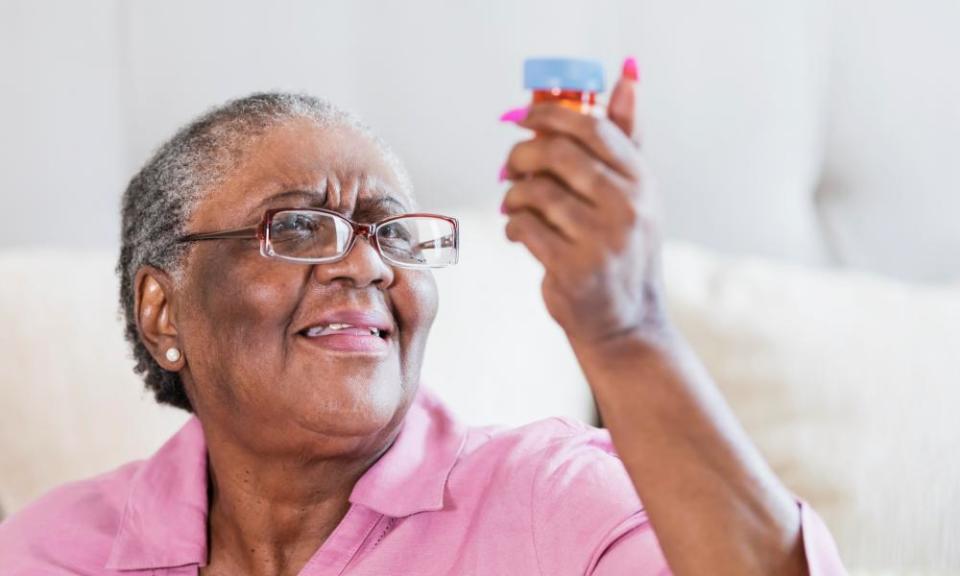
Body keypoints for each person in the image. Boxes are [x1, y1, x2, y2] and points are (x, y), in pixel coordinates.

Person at [0, 59, 846, 575]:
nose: (367, 262)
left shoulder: (556, 502)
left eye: (394, 233)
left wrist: (629, 330)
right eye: (298, 225)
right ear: (162, 310)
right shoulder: (52, 549)